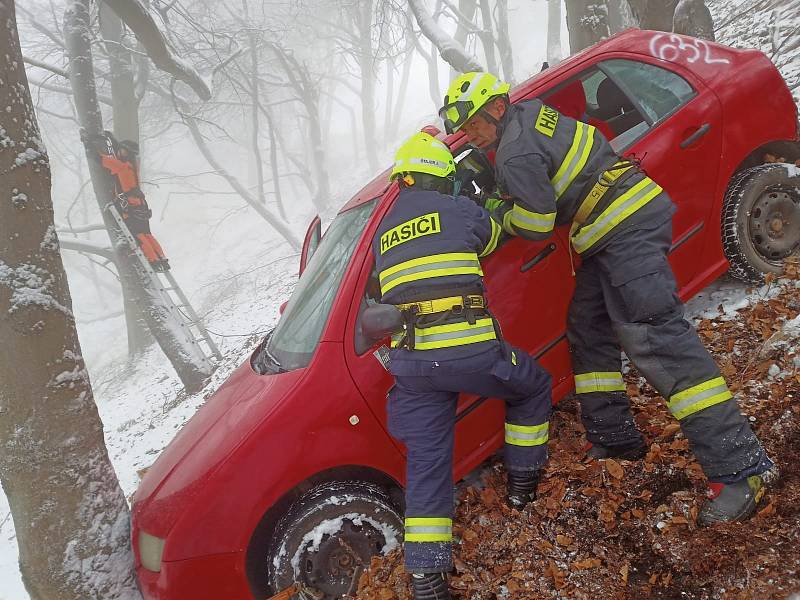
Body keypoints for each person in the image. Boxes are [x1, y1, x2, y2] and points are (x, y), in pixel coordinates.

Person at [438, 72, 776, 526]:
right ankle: (615, 439)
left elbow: (537, 227)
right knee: (590, 328)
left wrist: (497, 208)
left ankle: (741, 470)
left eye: (475, 124)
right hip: (612, 227)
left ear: (497, 107)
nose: (471, 136)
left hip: (624, 229)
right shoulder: (532, 116)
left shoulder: (515, 152)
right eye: (465, 130)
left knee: (658, 340)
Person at [373, 132, 552, 599]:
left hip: (414, 366)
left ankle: (426, 579)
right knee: (532, 387)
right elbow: (493, 236)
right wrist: (483, 200)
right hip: (470, 351)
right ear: (441, 178)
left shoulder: (382, 234)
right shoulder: (455, 209)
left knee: (428, 465)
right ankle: (522, 483)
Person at [82, 130, 170, 271]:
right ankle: (162, 259)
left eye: (122, 151)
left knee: (138, 235)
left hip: (131, 205)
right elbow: (122, 152)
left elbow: (100, 159)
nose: (119, 152)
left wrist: (88, 143)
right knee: (147, 234)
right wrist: (113, 139)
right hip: (141, 205)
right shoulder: (133, 165)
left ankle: (152, 261)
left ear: (126, 153)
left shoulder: (120, 167)